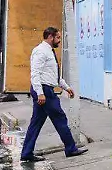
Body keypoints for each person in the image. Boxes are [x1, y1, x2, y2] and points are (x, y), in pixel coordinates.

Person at [20, 27, 87, 162]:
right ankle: (70, 148)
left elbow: (52, 75)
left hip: (46, 89)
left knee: (36, 122)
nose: (59, 41)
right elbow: (35, 74)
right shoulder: (40, 51)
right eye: (58, 38)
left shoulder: (49, 52)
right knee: (60, 118)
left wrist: (66, 87)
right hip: (44, 91)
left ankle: (26, 153)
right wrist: (40, 93)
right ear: (50, 37)